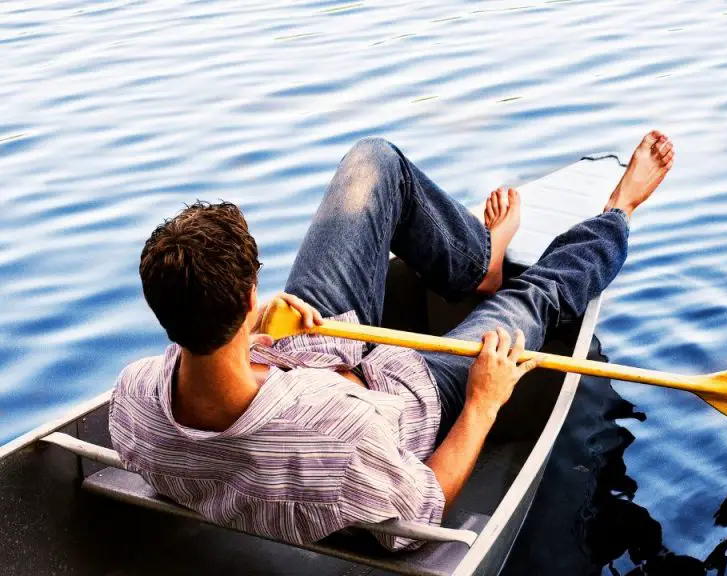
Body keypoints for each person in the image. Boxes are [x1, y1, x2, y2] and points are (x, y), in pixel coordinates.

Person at [108, 131, 674, 551]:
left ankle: (479, 263)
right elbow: (422, 510)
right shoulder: (344, 442)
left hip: (298, 349)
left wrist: (258, 321)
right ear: (246, 286)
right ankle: (617, 212)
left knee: (373, 163)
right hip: (403, 391)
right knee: (536, 300)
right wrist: (482, 402)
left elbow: (208, 361)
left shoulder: (134, 400)